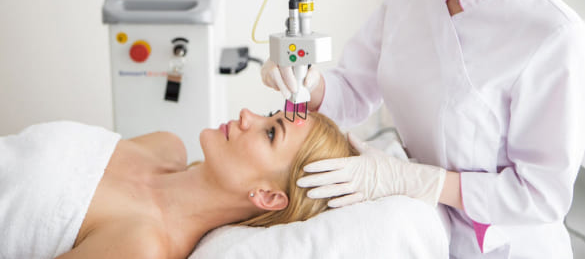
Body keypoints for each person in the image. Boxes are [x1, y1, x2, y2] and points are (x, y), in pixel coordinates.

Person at [262, 0, 585, 257]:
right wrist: (309, 85)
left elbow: (541, 196)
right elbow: (353, 92)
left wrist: (417, 181)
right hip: (424, 232)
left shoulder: (551, 32)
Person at [0, 109, 356, 259]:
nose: (247, 115)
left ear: (268, 196)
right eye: (270, 114)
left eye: (270, 133)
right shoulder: (164, 145)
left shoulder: (141, 245)